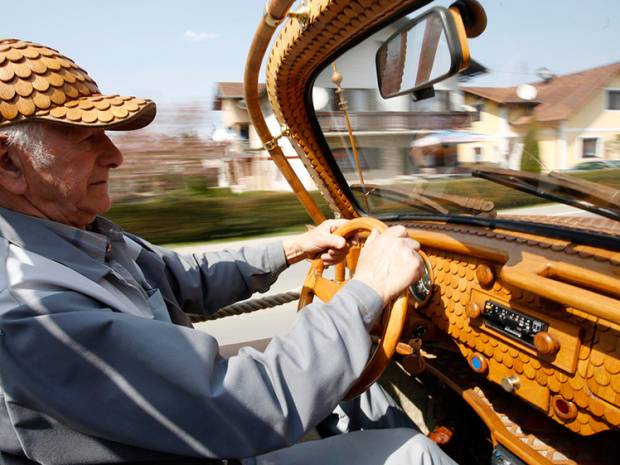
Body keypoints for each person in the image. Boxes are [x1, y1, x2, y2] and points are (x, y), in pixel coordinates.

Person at [0, 39, 457, 465]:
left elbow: (183, 276)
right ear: (9, 164)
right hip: (216, 441)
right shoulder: (31, 308)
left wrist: (296, 247)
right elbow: (245, 404)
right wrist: (367, 290)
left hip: (200, 437)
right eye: (86, 139)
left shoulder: (81, 238)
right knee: (413, 453)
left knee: (357, 386)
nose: (115, 155)